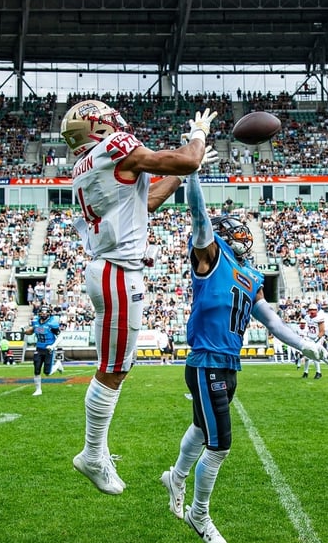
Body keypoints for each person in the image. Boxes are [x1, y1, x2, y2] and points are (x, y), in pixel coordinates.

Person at [160, 170, 328, 543]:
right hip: (206, 363)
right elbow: (198, 215)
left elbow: (272, 321)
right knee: (220, 445)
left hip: (229, 365)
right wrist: (192, 171)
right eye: (234, 233)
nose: (242, 238)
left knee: (201, 429)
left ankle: (176, 476)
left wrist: (305, 344)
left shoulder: (251, 275)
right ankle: (199, 513)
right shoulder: (211, 258)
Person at [63, 99, 219, 495]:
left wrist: (184, 174)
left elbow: (147, 201)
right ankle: (92, 454)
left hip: (109, 269)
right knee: (114, 369)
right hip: (117, 272)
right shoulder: (114, 146)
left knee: (118, 365)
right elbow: (185, 159)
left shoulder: (88, 163)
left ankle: (96, 451)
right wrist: (197, 137)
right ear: (98, 126)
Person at [27, 304, 63, 396]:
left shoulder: (52, 323)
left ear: (49, 313)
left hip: (48, 349)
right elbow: (31, 331)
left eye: (45, 312)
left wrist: (53, 346)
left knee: (48, 372)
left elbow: (60, 336)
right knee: (36, 369)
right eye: (42, 312)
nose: (43, 314)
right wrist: (24, 330)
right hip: (39, 348)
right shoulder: (36, 322)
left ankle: (57, 365)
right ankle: (38, 390)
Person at [299, 303, 327, 378]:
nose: (312, 311)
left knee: (315, 355)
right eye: (310, 310)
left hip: (317, 338)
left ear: (316, 310)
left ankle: (318, 372)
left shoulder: (319, 318)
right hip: (309, 338)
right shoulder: (306, 317)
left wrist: (316, 340)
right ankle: (306, 372)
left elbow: (322, 331)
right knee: (306, 356)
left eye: (314, 310)